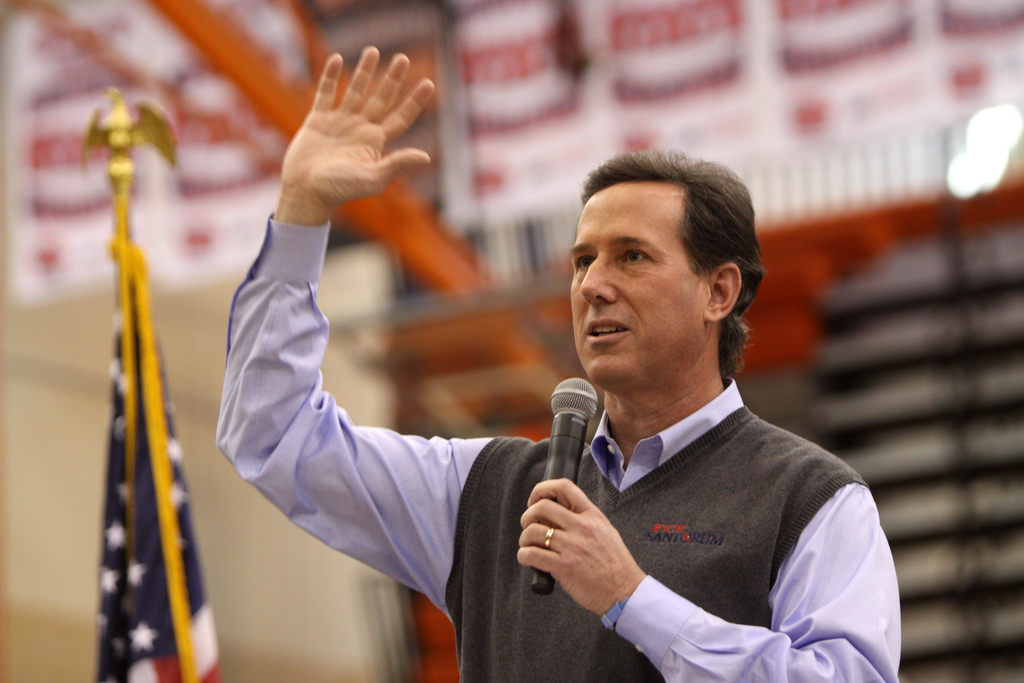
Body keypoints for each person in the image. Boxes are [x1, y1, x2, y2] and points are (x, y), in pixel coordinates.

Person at [217, 46, 901, 681]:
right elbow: (273, 436)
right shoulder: (483, 493)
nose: (592, 285)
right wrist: (301, 213)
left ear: (718, 292)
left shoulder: (813, 500)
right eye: (582, 260)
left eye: (631, 255)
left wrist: (632, 597)